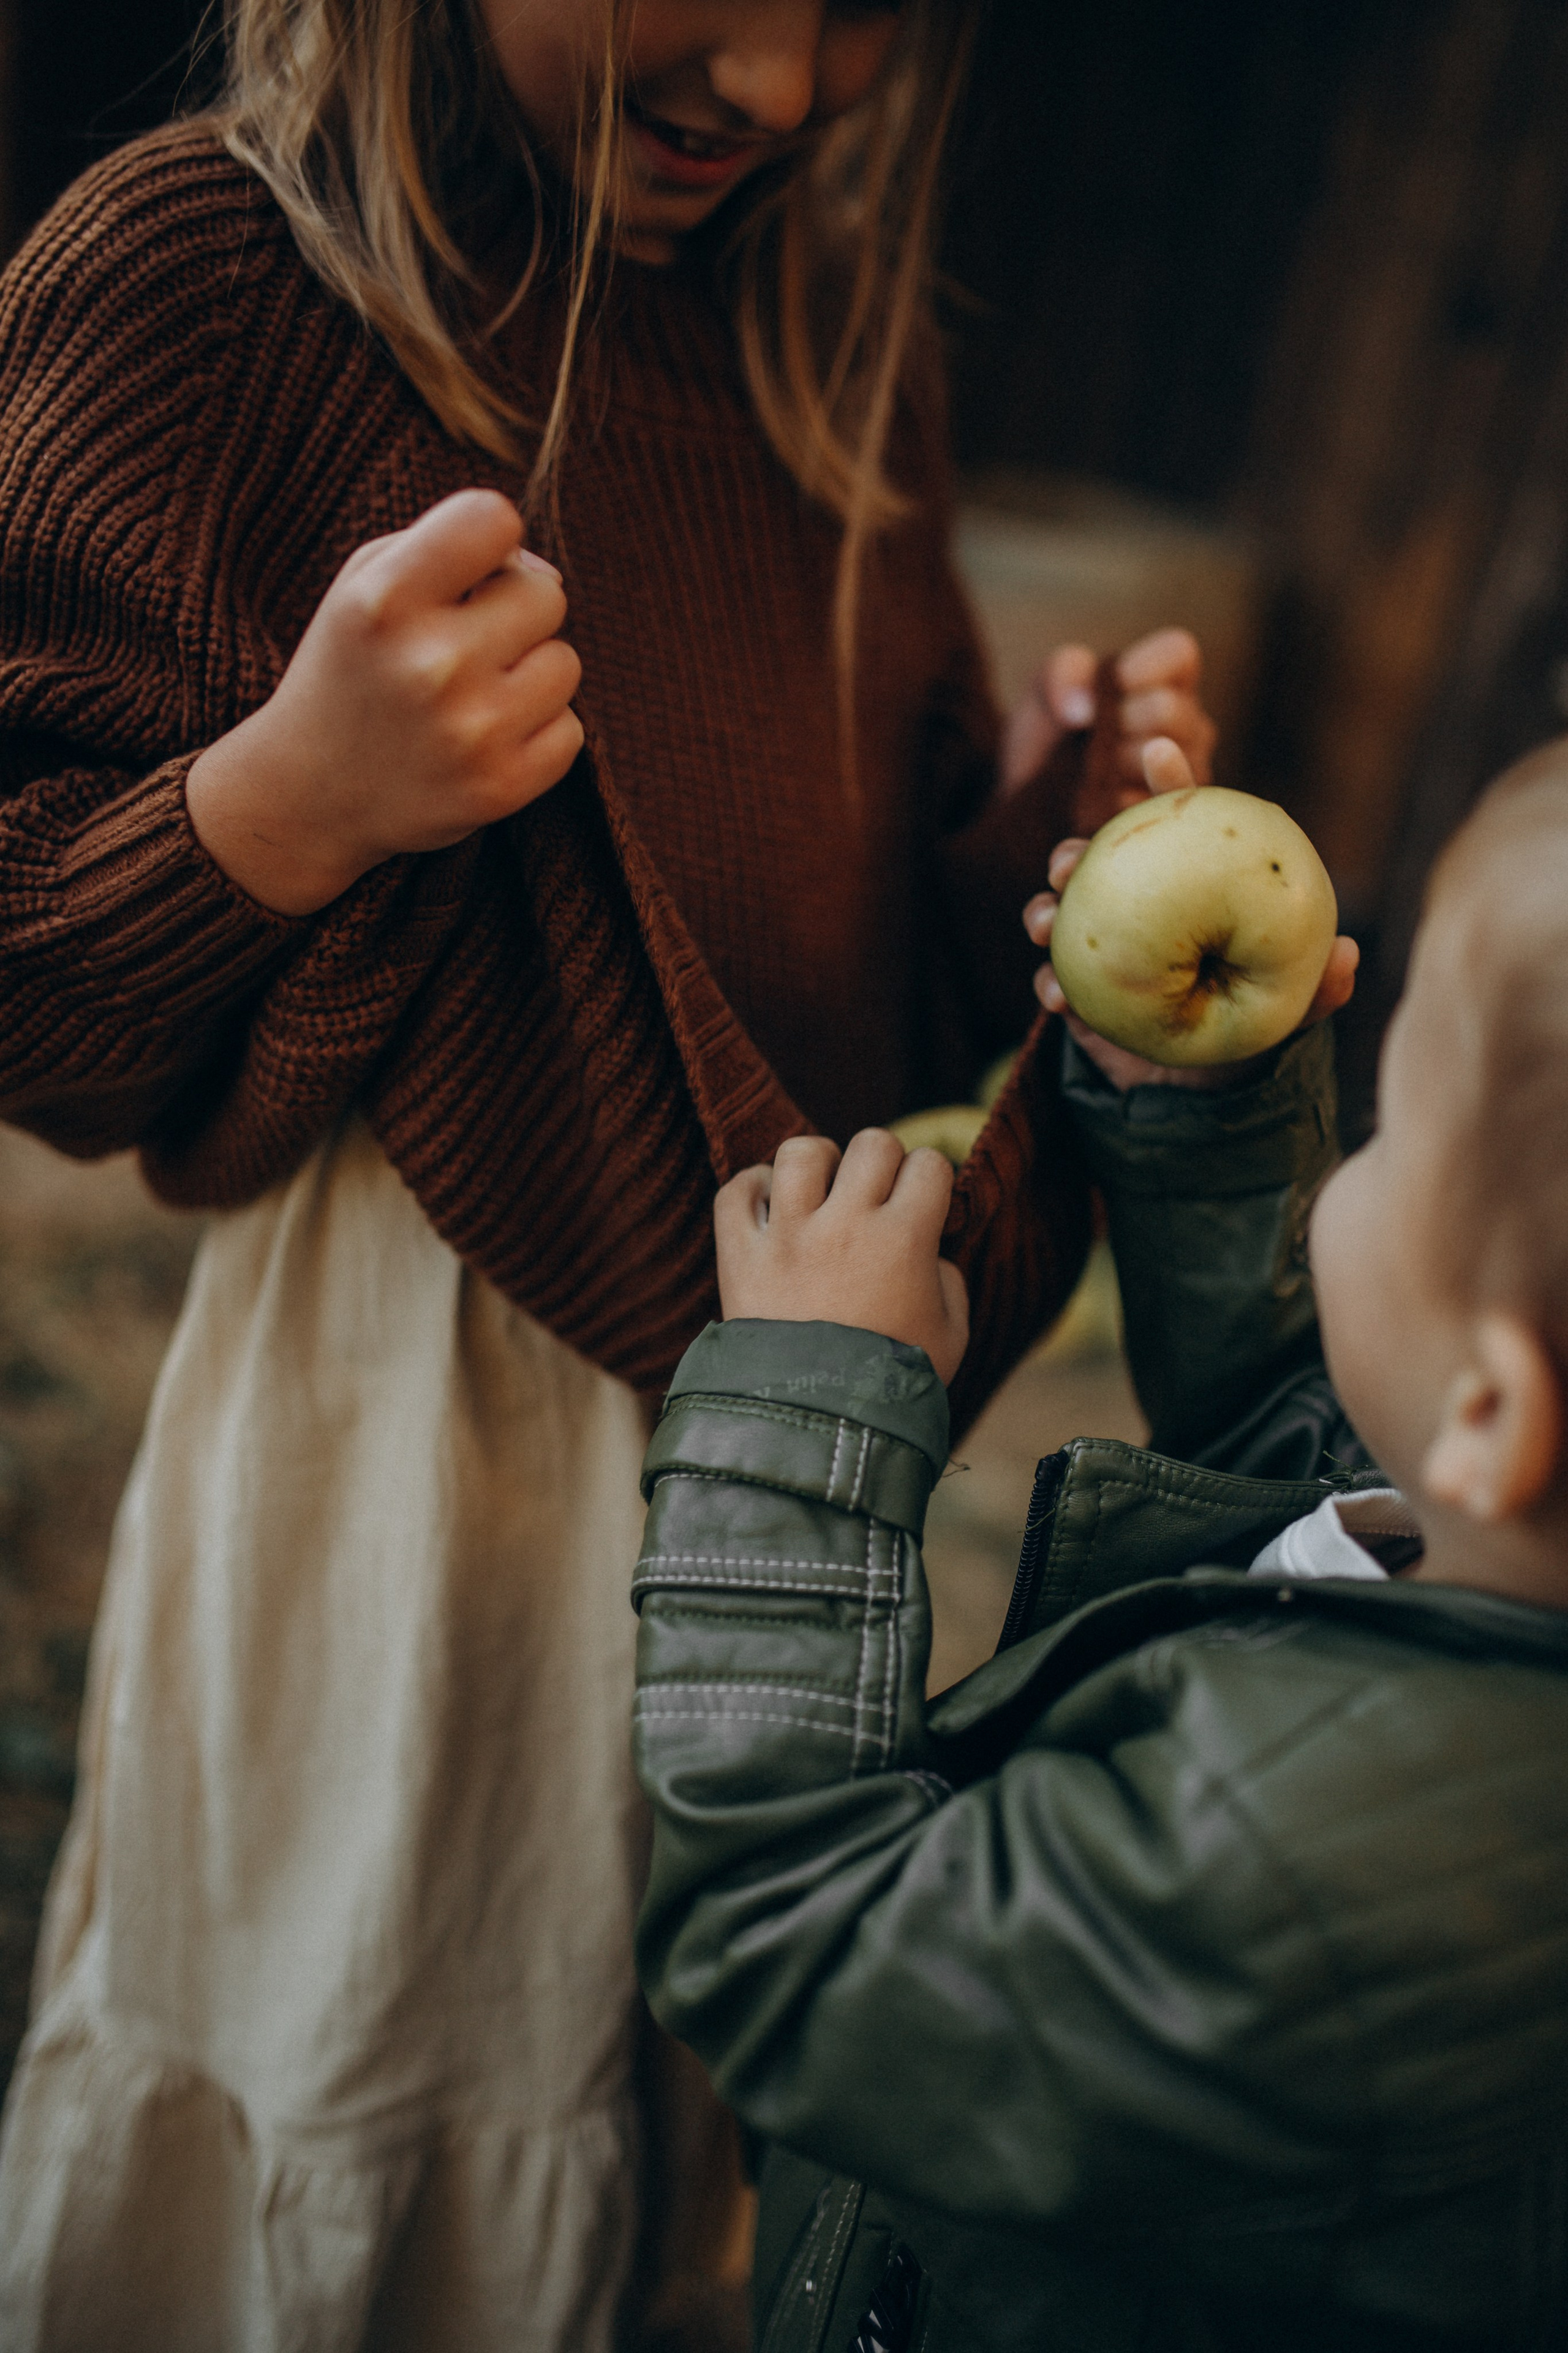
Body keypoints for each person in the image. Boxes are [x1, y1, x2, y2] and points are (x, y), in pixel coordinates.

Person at [0, 2, 1219, 2346]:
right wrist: (287, 800)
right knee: (374, 2050)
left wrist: (1039, 852)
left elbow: (851, 992)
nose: (774, 84)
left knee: (637, 2086)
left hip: (775, 1448)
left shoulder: (830, 370)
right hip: (403, 1455)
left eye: (863, 12)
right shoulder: (206, 289)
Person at [631, 742, 1568, 2352]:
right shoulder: (1500, 1551)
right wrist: (1208, 1120)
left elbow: (805, 1946)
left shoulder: (1305, 1881)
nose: (1366, 1150)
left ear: (1496, 1403)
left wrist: (804, 1411)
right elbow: (1313, 1438)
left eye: (1392, 1131)